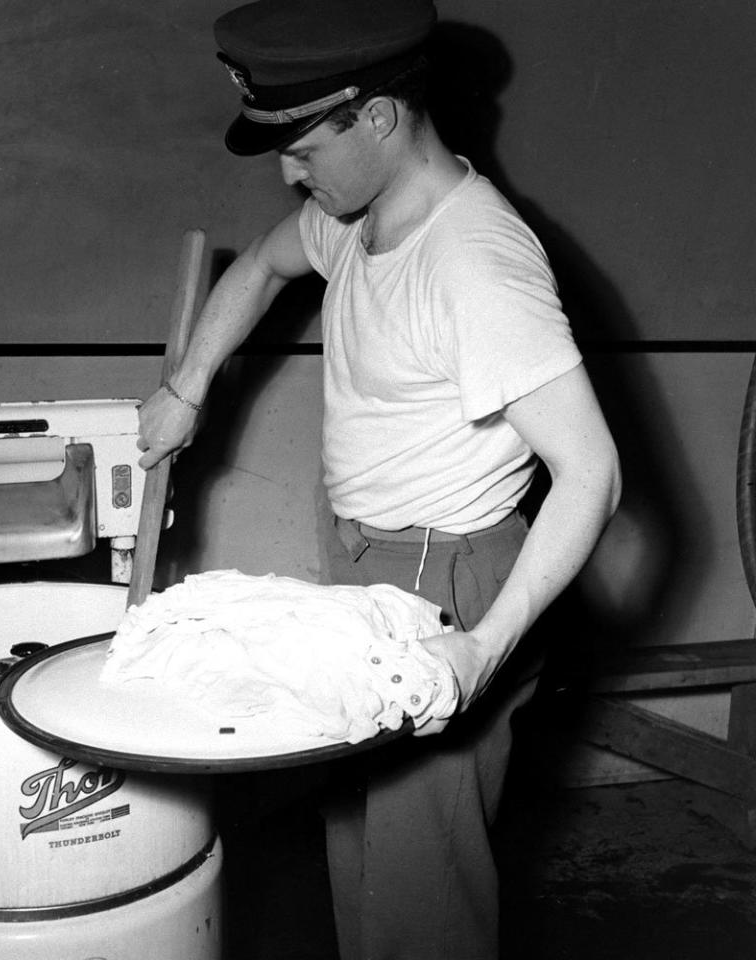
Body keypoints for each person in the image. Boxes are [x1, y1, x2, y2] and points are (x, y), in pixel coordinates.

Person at [136, 1, 622, 957]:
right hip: (365, 558)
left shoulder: (476, 262)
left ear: (381, 118)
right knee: (358, 850)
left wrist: (482, 650)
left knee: (420, 904)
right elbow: (265, 269)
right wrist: (187, 387)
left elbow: (592, 473)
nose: (289, 172)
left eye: (304, 147)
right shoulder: (353, 217)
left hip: (448, 583)